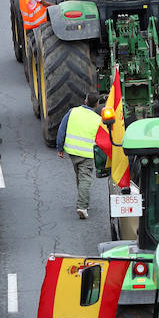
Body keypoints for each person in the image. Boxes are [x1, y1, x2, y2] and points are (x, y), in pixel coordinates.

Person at [56, 90, 103, 220]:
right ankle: (82, 206)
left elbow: (62, 129)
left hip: (72, 152)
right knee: (85, 179)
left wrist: (60, 147)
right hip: (87, 154)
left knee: (79, 176)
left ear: (85, 101)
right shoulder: (98, 119)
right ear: (97, 104)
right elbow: (102, 139)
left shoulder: (73, 112)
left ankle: (85, 202)